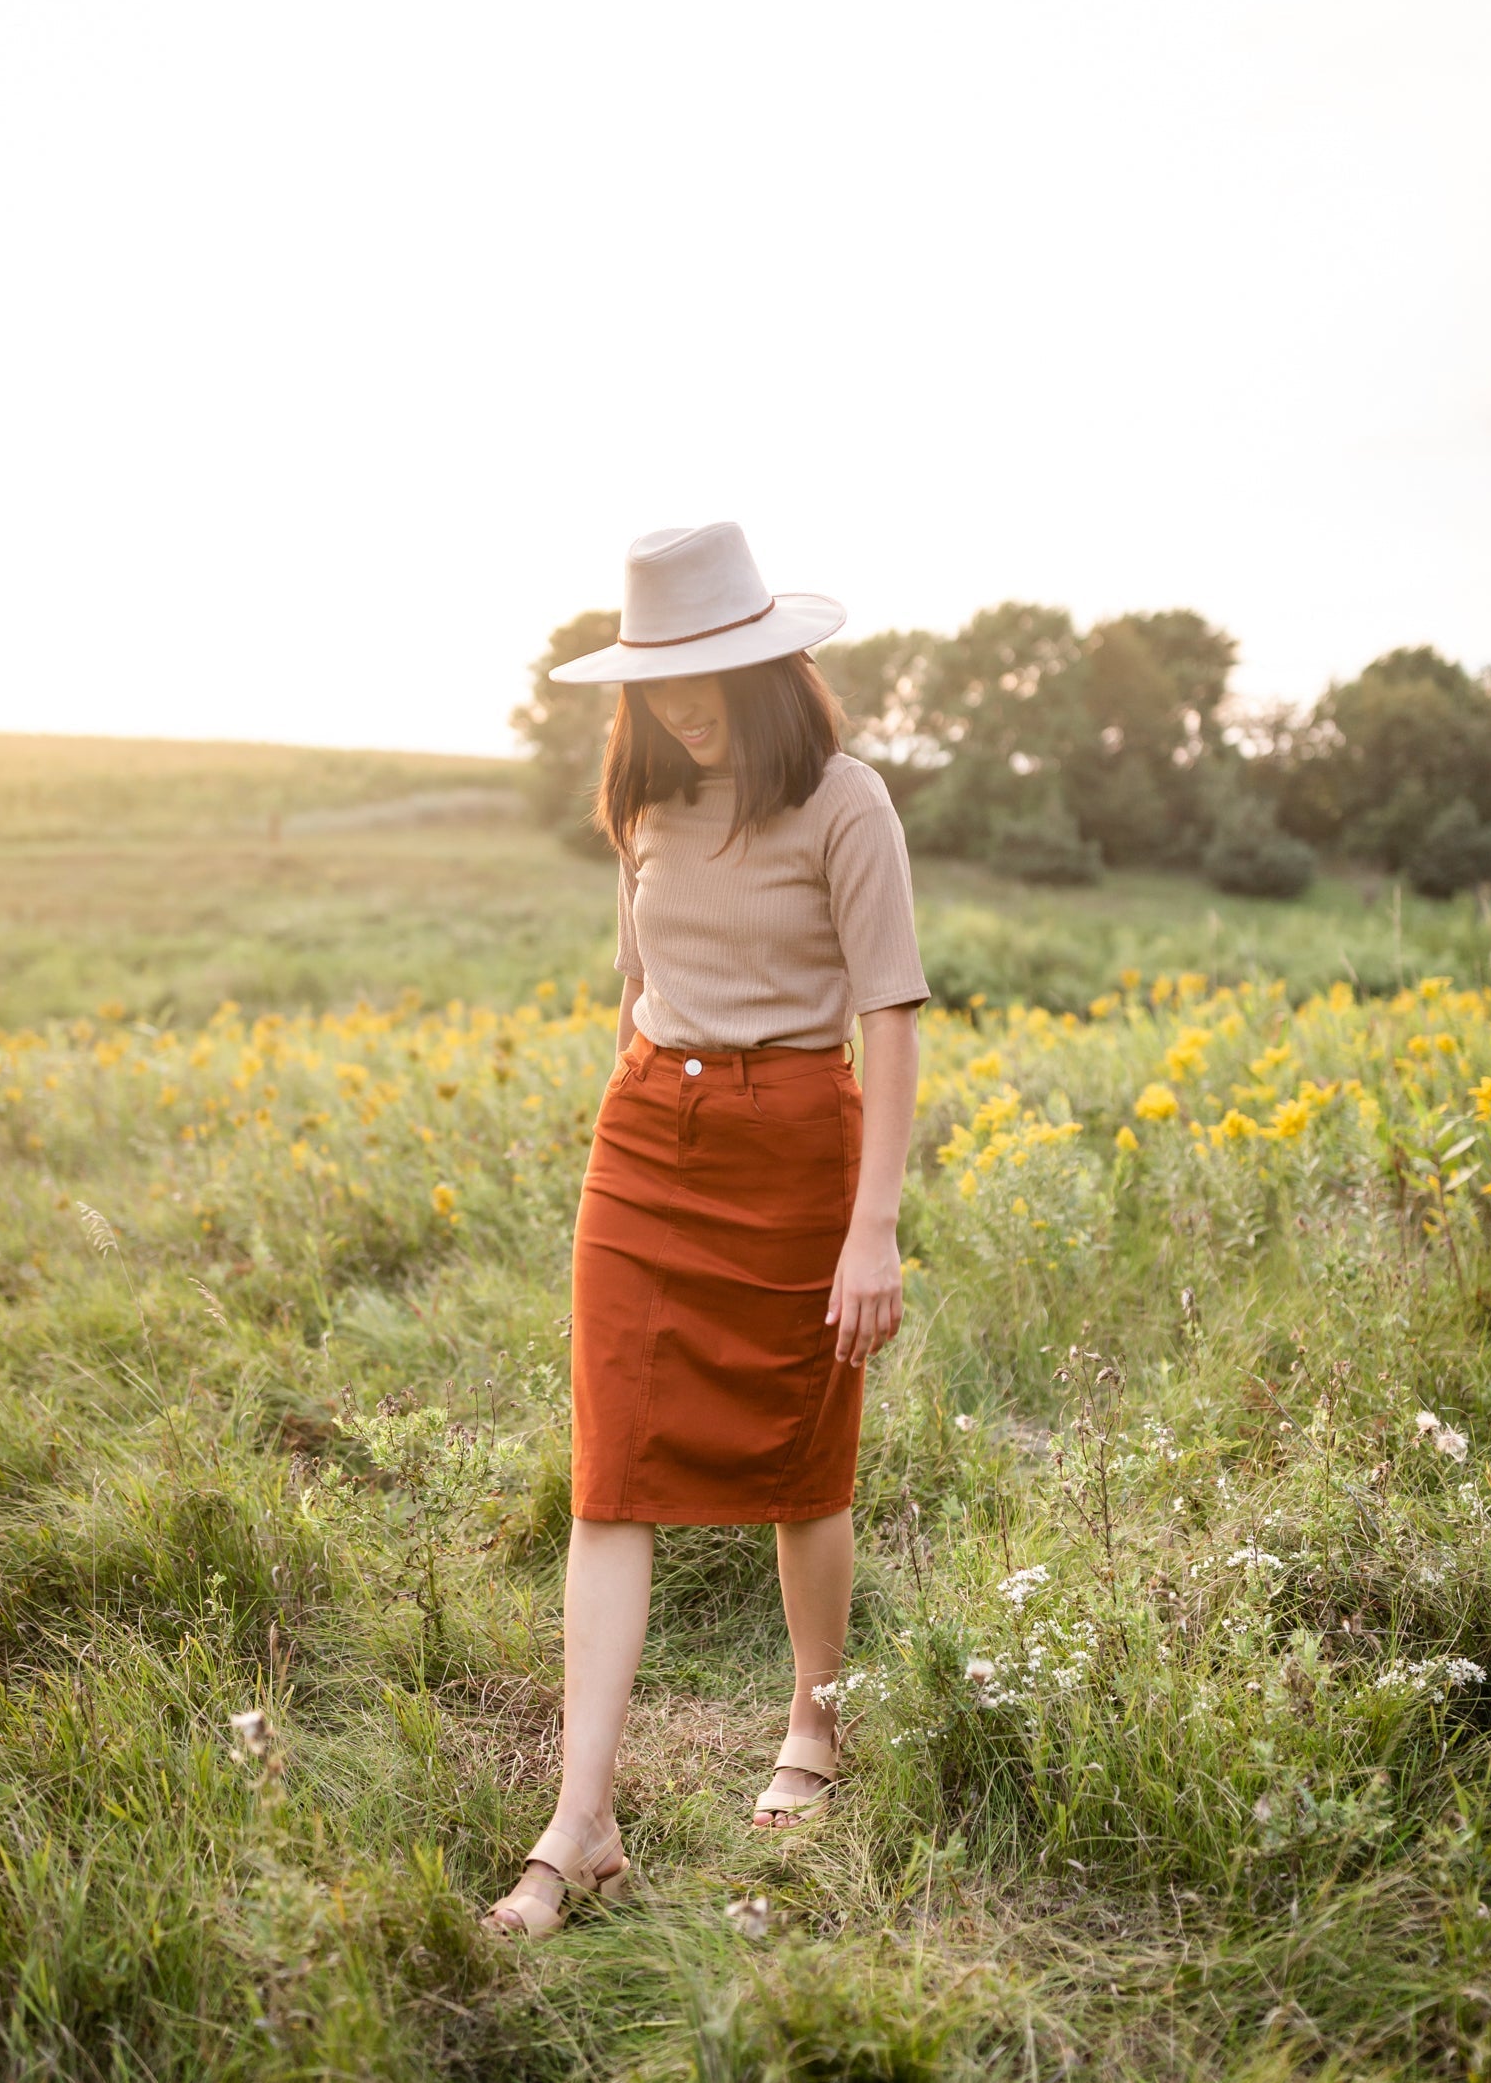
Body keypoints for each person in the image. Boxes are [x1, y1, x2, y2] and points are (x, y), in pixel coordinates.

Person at [484, 523, 929, 1938]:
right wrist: (636, 1115)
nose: (681, 701)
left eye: (708, 672)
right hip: (643, 1148)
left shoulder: (847, 803)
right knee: (609, 1473)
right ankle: (582, 1820)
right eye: (657, 676)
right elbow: (635, 989)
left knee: (806, 1458)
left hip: (798, 1145)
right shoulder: (646, 811)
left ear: (769, 666)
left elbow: (892, 1017)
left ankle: (815, 1728)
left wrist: (874, 1229)